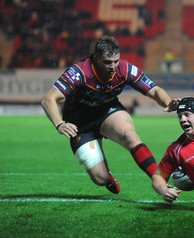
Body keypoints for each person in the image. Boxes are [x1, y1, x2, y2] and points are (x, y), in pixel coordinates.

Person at [41, 36, 179, 194]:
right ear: (96, 58)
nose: (113, 66)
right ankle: (108, 178)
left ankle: (159, 180)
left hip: (108, 112)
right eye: (107, 62)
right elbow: (48, 99)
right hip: (80, 124)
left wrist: (168, 103)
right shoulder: (79, 72)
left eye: (116, 61)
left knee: (129, 135)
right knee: (100, 178)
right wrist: (60, 124)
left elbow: (154, 90)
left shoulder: (125, 69)